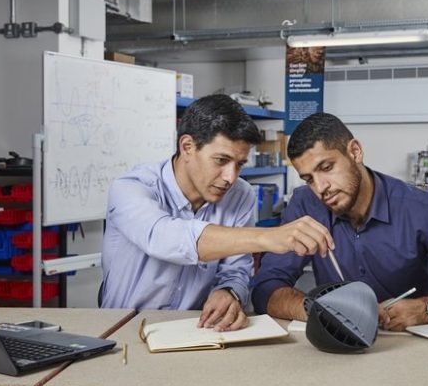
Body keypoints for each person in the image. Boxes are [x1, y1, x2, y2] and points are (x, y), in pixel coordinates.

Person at [250, 112, 428, 331]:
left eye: (327, 167)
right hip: (339, 344)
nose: (320, 188)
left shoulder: (425, 210)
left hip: (412, 344)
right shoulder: (305, 204)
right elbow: (265, 286)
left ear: (355, 152)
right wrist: (313, 309)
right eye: (308, 178)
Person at [100, 95, 333, 332]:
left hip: (195, 331)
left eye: (239, 164)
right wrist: (267, 237)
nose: (230, 177)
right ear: (187, 147)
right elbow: (164, 237)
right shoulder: (131, 188)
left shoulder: (241, 195)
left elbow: (236, 269)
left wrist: (228, 292)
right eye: (221, 160)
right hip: (124, 329)